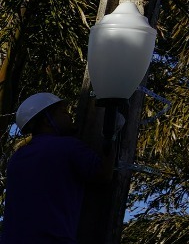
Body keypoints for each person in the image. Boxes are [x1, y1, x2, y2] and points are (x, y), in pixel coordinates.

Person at [1, 93, 111, 244]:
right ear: (47, 120)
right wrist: (112, 134)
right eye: (63, 112)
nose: (70, 116)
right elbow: (104, 174)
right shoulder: (67, 147)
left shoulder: (16, 158)